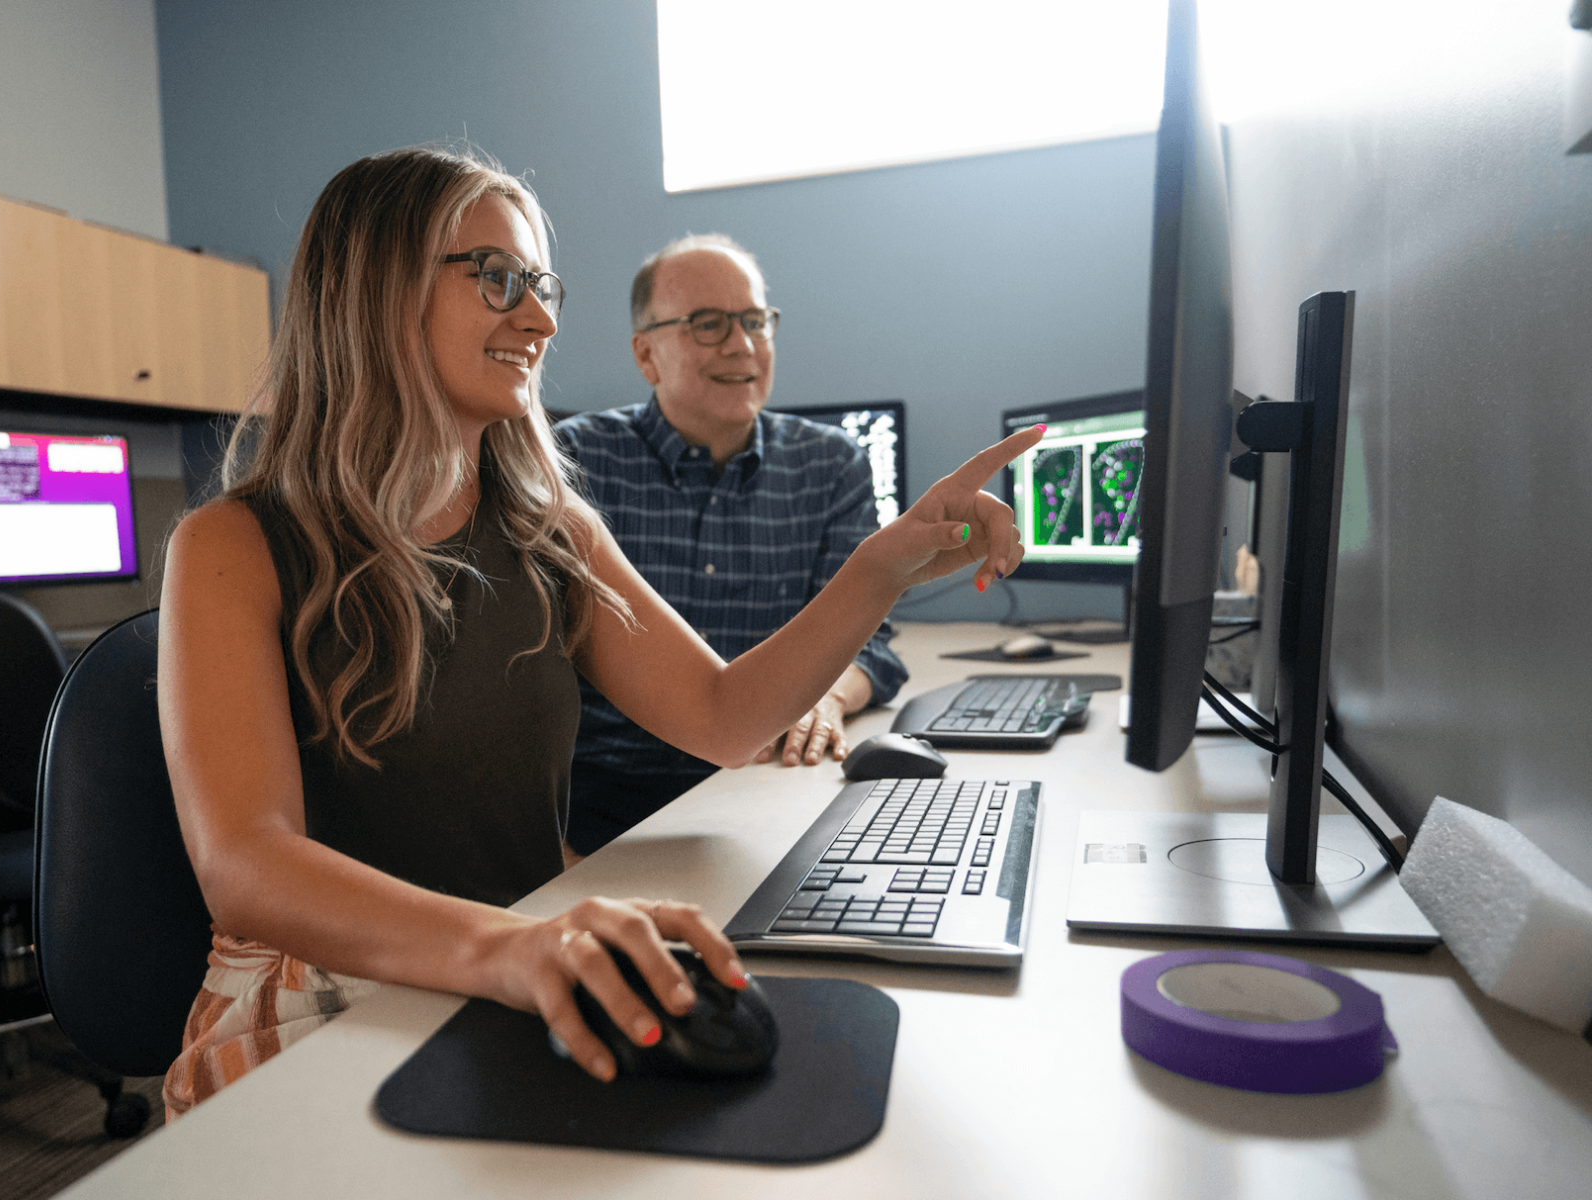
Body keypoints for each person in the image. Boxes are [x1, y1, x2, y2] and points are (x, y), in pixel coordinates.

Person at [155, 145, 1042, 1117]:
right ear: (374, 290)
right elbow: (246, 864)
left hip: (515, 958)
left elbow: (720, 717)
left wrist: (881, 567)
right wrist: (511, 945)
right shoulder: (233, 544)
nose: (536, 318)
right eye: (496, 279)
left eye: (540, 285)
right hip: (321, 984)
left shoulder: (548, 528)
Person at [553, 234, 907, 856]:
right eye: (708, 325)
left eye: (754, 322)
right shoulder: (574, 460)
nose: (741, 345)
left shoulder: (829, 464)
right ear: (646, 355)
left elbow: (870, 644)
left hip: (771, 779)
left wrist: (825, 699)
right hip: (604, 798)